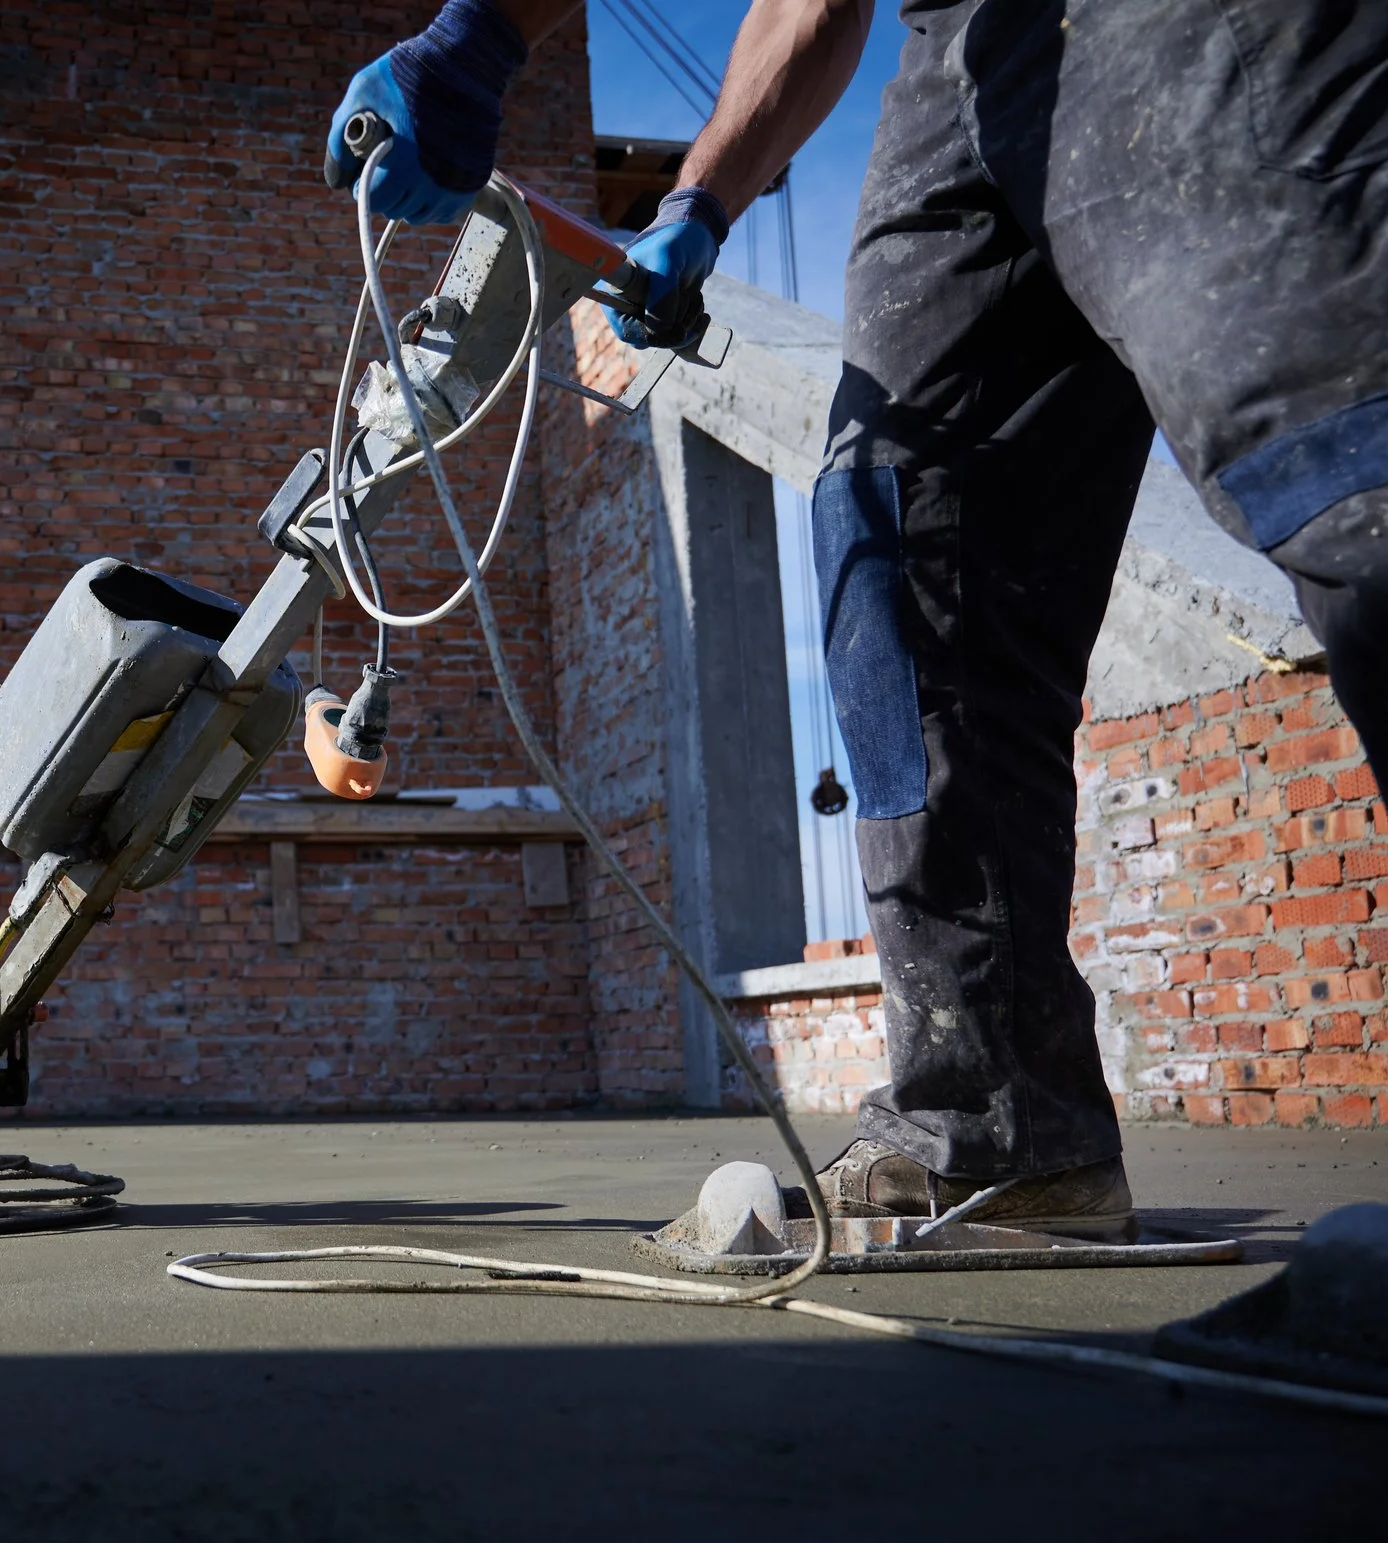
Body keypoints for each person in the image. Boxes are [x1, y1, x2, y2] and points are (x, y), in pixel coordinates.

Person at [330, 0, 1387, 1237]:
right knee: (896, 548)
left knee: (1340, 455)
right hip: (964, 60)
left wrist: (479, 32)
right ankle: (998, 1130)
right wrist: (696, 203)